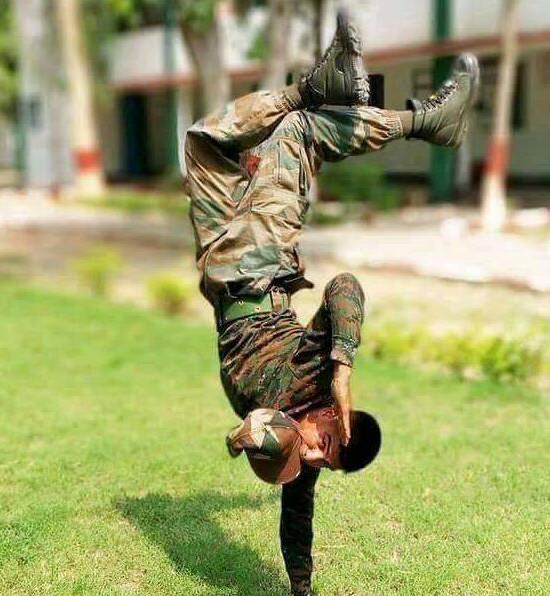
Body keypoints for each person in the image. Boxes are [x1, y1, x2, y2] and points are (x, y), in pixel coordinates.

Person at [184, 11, 479, 596]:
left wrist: (302, 587)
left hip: (222, 270)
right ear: (335, 417)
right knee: (298, 133)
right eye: (330, 442)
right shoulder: (319, 375)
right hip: (258, 264)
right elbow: (345, 286)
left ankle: (324, 87)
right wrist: (342, 362)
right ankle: (421, 121)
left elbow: (295, 519)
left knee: (204, 143)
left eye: (325, 460)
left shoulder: (292, 444)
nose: (318, 455)